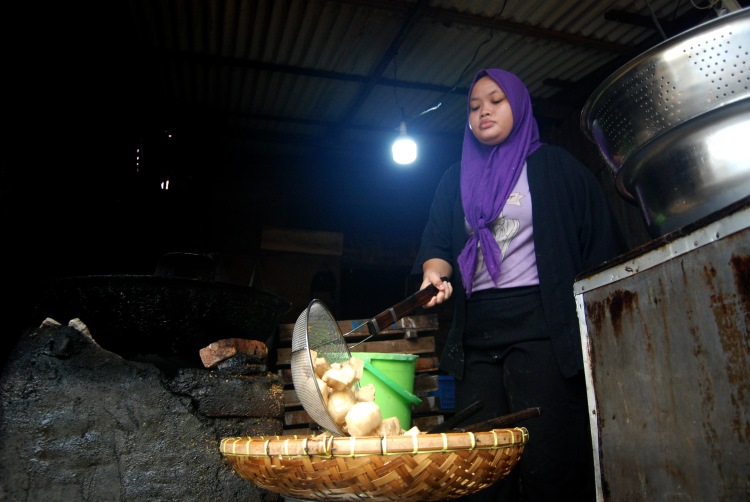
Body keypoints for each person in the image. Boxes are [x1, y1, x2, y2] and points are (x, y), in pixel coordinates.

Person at [412, 68, 626, 501]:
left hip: (544, 331)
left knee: (549, 460)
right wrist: (433, 274)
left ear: (520, 105)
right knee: (481, 469)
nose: (483, 111)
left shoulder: (555, 168)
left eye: (496, 100)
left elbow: (601, 246)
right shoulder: (455, 178)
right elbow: (437, 244)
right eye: (474, 107)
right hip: (477, 338)